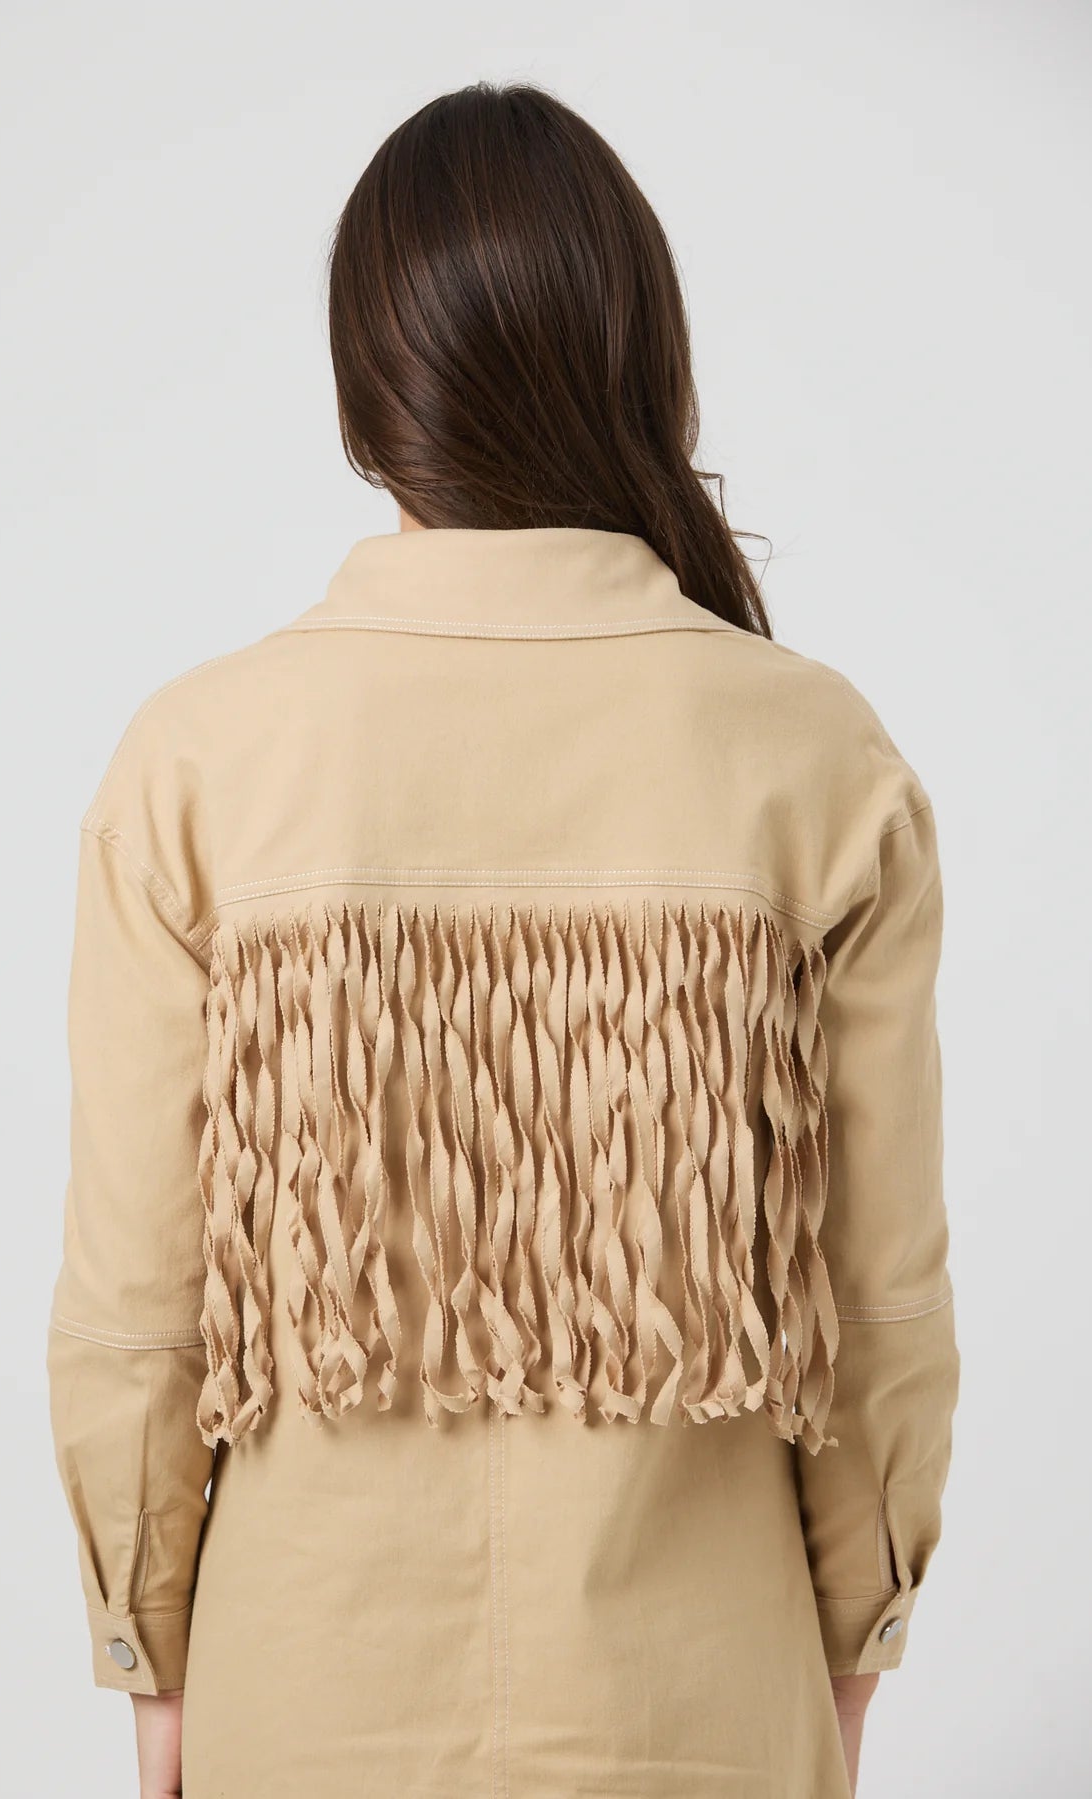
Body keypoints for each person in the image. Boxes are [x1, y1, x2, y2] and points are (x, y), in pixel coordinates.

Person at [46, 80, 959, 1799]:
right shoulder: (818, 756)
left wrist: (148, 1660)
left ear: (364, 393)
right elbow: (881, 1301)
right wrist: (855, 1644)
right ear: (643, 360)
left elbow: (134, 1308)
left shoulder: (195, 764)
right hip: (700, 1706)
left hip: (301, 1706)